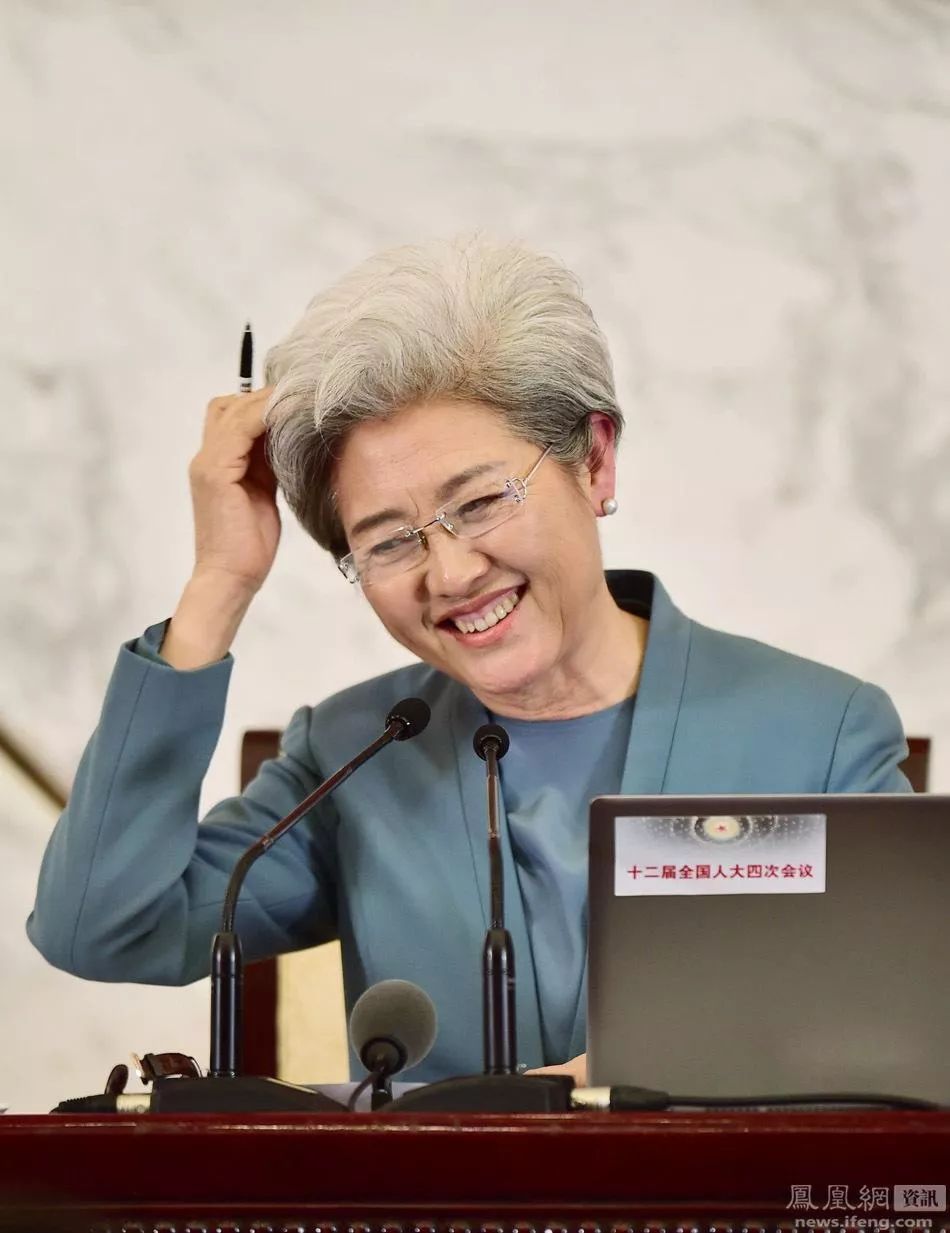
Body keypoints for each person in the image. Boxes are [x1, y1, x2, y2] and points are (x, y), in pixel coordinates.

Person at [27, 236, 910, 1084]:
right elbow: (100, 927)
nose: (450, 574)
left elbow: (902, 1019)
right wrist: (219, 582)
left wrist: (655, 1072)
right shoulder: (356, 752)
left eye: (482, 502)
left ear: (595, 461)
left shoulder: (815, 734)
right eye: (388, 541)